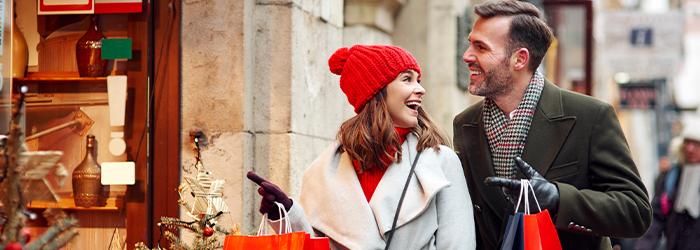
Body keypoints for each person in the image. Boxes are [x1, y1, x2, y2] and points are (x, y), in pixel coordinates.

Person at [451, 0, 652, 249]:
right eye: (470, 43)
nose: (466, 55)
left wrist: (559, 198)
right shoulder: (465, 123)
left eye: (481, 47)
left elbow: (636, 211)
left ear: (519, 59)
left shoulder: (590, 116)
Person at [247, 44, 476, 250]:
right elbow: (318, 246)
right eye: (407, 79)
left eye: (418, 80)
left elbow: (459, 244)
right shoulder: (322, 171)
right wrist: (286, 213)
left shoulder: (440, 161)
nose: (420, 89)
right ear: (375, 91)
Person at [634, 121, 700, 250]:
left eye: (697, 144)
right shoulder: (671, 176)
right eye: (687, 143)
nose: (690, 149)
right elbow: (656, 218)